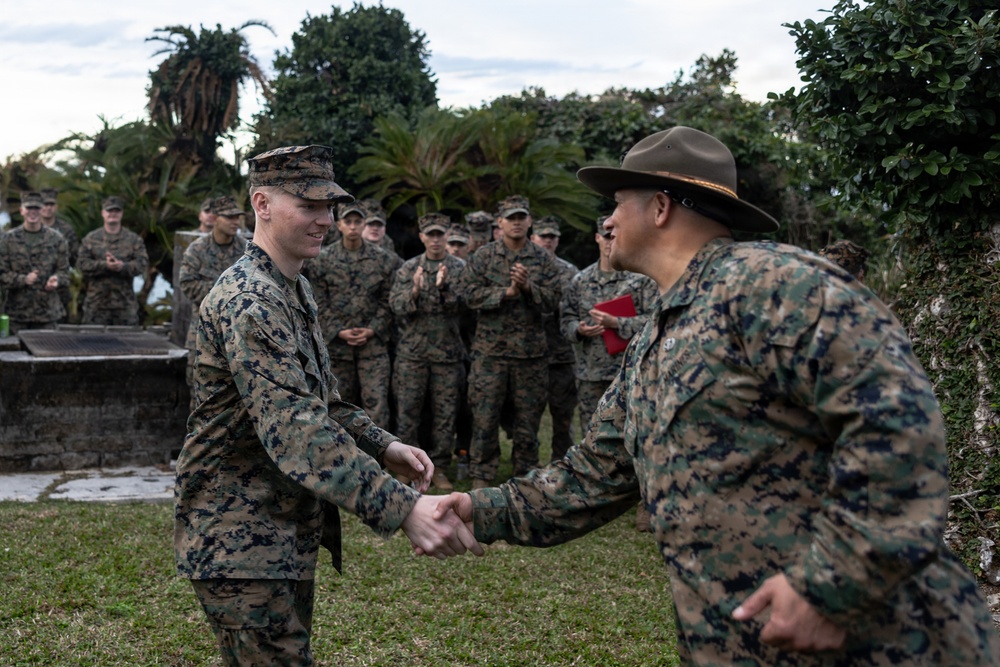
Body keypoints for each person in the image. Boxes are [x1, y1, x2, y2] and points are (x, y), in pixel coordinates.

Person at [433, 127, 1000, 665]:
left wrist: (832, 587)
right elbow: (595, 475)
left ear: (660, 207)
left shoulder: (774, 284)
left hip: (878, 642)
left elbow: (899, 426)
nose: (606, 219)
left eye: (617, 201)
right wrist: (479, 510)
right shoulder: (658, 332)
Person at [175, 145, 482, 667]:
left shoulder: (290, 287)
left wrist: (383, 445)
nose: (325, 219)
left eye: (330, 206)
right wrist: (402, 508)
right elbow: (295, 429)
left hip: (278, 528)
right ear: (262, 204)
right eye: (310, 206)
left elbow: (322, 402)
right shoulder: (251, 300)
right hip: (240, 534)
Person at [459, 195, 562, 487]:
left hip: (530, 356)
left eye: (521, 217)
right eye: (510, 218)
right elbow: (467, 294)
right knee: (485, 415)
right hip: (490, 354)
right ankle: (482, 473)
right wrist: (504, 294)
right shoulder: (483, 256)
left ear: (529, 221)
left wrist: (529, 288)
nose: (516, 222)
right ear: (500, 223)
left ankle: (525, 475)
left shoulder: (543, 258)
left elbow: (553, 301)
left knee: (528, 420)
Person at [389, 212, 466, 490]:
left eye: (440, 234)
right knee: (409, 412)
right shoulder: (409, 269)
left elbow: (468, 307)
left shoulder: (459, 267)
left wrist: (444, 289)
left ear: (447, 235)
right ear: (422, 237)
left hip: (447, 355)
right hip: (413, 354)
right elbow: (396, 306)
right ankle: (408, 467)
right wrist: (415, 292)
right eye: (430, 234)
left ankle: (441, 467)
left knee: (445, 414)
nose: (435, 239)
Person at [306, 199, 396, 426]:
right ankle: (342, 457)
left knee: (376, 403)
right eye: (349, 221)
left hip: (373, 346)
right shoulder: (322, 259)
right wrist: (339, 331)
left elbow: (388, 301)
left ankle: (379, 457)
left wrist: (372, 329)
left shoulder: (384, 259)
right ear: (339, 225)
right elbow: (317, 301)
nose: (354, 226)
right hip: (337, 346)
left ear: (364, 224)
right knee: (338, 404)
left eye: (358, 221)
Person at [178, 195, 248, 403]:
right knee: (200, 394)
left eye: (237, 217)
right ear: (215, 218)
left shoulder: (246, 250)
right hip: (203, 332)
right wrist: (223, 292)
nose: (235, 222)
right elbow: (187, 284)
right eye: (229, 217)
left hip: (237, 334)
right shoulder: (197, 250)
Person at [529, 215, 579, 462]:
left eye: (552, 237)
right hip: (528, 355)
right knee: (528, 417)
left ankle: (562, 462)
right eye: (542, 236)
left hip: (560, 355)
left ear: (558, 240)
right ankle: (528, 465)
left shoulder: (569, 271)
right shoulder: (523, 267)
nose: (547, 241)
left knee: (563, 415)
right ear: (532, 238)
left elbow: (574, 307)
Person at [0, 191, 70, 333]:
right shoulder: (8, 239)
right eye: (28, 208)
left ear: (42, 210)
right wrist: (22, 279)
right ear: (21, 211)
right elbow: (2, 273)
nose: (33, 212)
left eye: (36, 208)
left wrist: (57, 279)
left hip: (47, 314)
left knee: (48, 352)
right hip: (17, 314)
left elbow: (64, 272)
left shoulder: (56, 239)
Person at [77, 196, 149, 326]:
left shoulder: (134, 240)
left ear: (122, 214)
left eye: (117, 211)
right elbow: (82, 264)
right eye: (109, 211)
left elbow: (142, 264)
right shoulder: (91, 239)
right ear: (103, 213)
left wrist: (123, 266)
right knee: (92, 344)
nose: (113, 214)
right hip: (96, 306)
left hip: (125, 305)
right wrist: (105, 266)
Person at [39, 188, 78, 319]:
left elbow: (75, 259)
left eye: (51, 204)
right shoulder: (30, 227)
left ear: (56, 207)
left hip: (59, 290)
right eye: (45, 204)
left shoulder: (66, 230)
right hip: (34, 291)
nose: (48, 208)